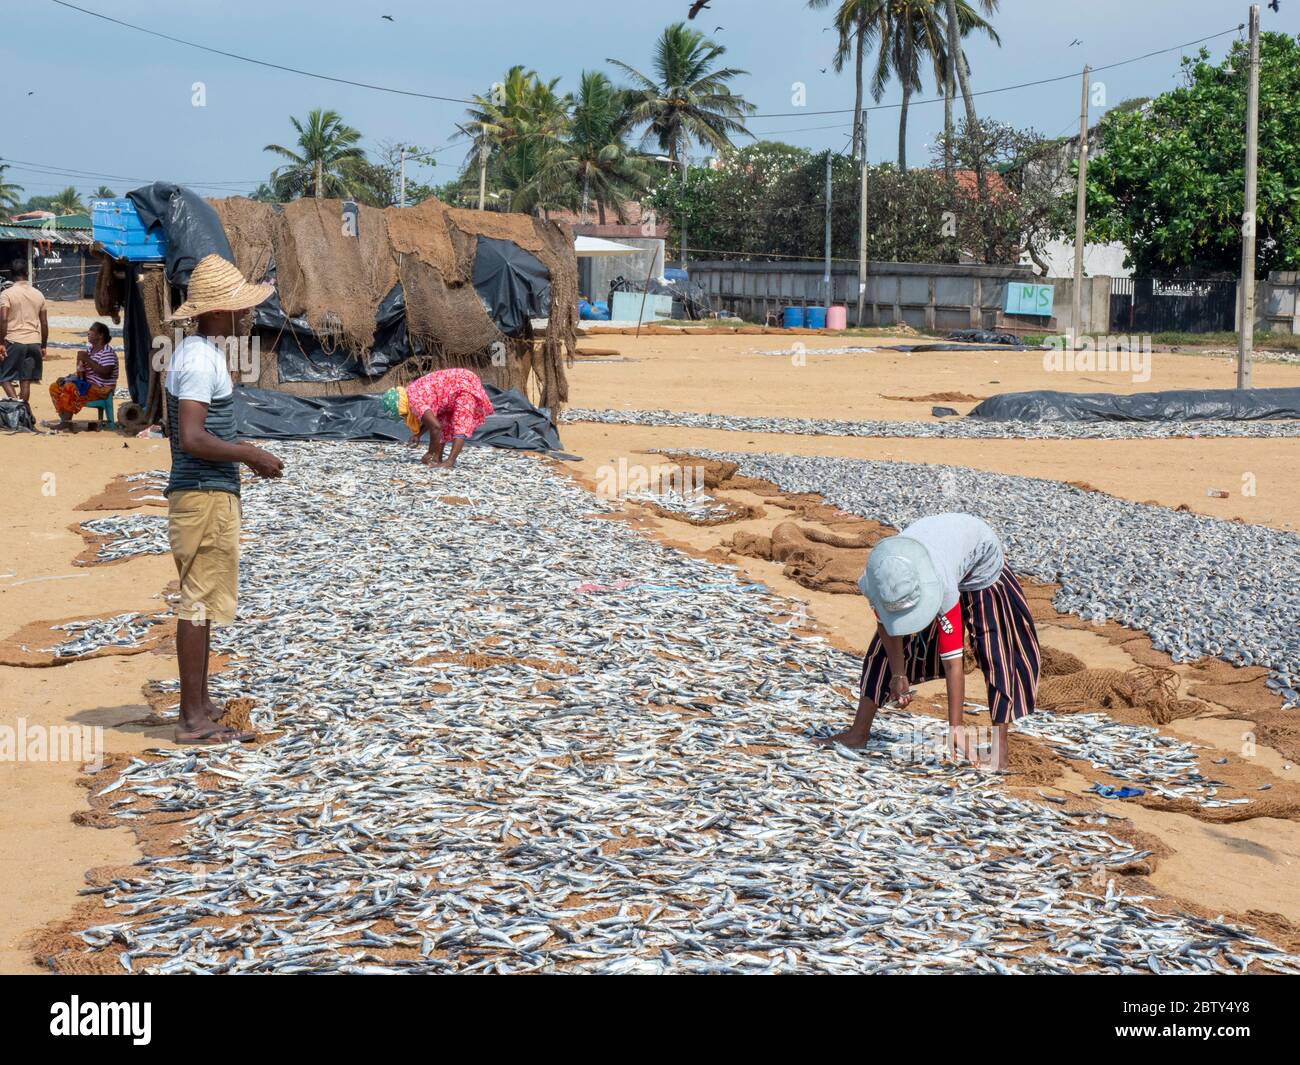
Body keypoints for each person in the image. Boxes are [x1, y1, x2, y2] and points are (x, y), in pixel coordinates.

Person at [163, 254, 283, 744]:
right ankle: (192, 719)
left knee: (206, 599)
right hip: (202, 495)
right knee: (197, 601)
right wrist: (249, 454)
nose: (246, 315)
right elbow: (191, 436)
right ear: (219, 313)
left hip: (209, 494)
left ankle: (201, 701)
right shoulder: (196, 358)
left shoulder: (201, 353)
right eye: (240, 308)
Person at [819, 513, 1040, 771]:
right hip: (935, 556)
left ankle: (1000, 750)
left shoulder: (943, 588)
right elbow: (886, 626)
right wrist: (898, 674)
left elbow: (953, 663)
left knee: (997, 650)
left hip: (980, 561)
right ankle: (859, 732)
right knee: (881, 651)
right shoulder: (875, 580)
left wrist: (955, 728)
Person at [382, 367, 494, 468]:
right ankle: (437, 459)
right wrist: (418, 435)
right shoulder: (409, 393)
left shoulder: (413, 402)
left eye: (402, 414)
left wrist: (430, 452)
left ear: (400, 406)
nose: (403, 416)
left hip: (463, 385)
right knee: (442, 420)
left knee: (460, 425)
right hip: (453, 390)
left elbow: (435, 427)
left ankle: (449, 462)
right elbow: (432, 420)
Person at [48, 321, 118, 428]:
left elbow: (105, 373)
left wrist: (86, 359)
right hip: (88, 386)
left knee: (69, 388)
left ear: (100, 335)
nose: (88, 333)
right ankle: (65, 420)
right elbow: (81, 374)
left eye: (92, 330)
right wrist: (68, 378)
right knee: (55, 387)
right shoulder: (90, 350)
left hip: (102, 389)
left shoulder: (107, 352)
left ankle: (65, 423)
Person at [0, 259, 48, 405]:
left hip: (14, 341)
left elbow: (3, 319)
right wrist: (43, 345)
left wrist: (1, 342)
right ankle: (23, 411)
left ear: (11, 275)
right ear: (27, 273)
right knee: (25, 380)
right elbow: (44, 323)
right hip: (34, 342)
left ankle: (17, 409)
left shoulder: (6, 294)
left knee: (4, 377)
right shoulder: (39, 294)